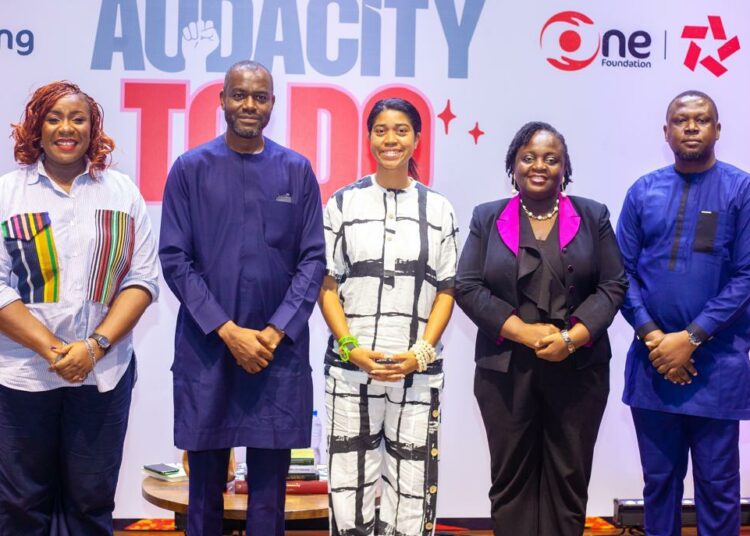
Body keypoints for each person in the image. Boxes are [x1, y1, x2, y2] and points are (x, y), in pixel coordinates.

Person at [159, 60, 326, 536]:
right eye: (239, 95)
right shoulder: (190, 169)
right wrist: (228, 331)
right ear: (222, 100)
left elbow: (313, 260)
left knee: (269, 495)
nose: (248, 105)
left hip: (277, 355)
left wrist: (272, 333)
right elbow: (175, 259)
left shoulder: (296, 171)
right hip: (209, 349)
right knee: (205, 489)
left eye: (259, 96)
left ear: (272, 103)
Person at [0, 81, 159, 534]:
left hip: (103, 376)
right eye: (54, 118)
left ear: (94, 129)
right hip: (21, 377)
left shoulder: (122, 192)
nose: (66, 128)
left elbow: (142, 279)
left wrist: (94, 347)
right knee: (20, 504)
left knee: (91, 504)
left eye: (78, 118)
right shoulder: (8, 194)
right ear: (36, 126)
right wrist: (54, 350)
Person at [455, 122, 627, 535]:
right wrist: (524, 332)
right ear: (513, 164)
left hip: (579, 368)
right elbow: (467, 285)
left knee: (568, 478)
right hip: (505, 371)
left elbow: (613, 284)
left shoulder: (593, 215)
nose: (539, 166)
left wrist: (572, 337)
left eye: (551, 159)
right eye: (528, 157)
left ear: (564, 168)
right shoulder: (487, 216)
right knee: (511, 476)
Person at [319, 98, 458, 536]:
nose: (390, 139)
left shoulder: (439, 209)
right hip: (350, 372)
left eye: (401, 130)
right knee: (348, 485)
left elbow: (447, 289)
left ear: (417, 139)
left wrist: (421, 353)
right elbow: (327, 287)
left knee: (413, 485)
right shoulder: (341, 204)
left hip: (417, 373)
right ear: (369, 137)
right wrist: (351, 349)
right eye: (380, 129)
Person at [617, 91, 750, 536]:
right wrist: (656, 338)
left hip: (717, 367)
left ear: (717, 129)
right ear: (666, 131)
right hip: (654, 367)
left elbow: (746, 277)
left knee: (718, 486)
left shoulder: (740, 190)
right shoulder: (643, 191)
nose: (691, 126)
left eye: (702, 119)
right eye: (681, 119)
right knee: (659, 484)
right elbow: (621, 275)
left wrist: (689, 339)